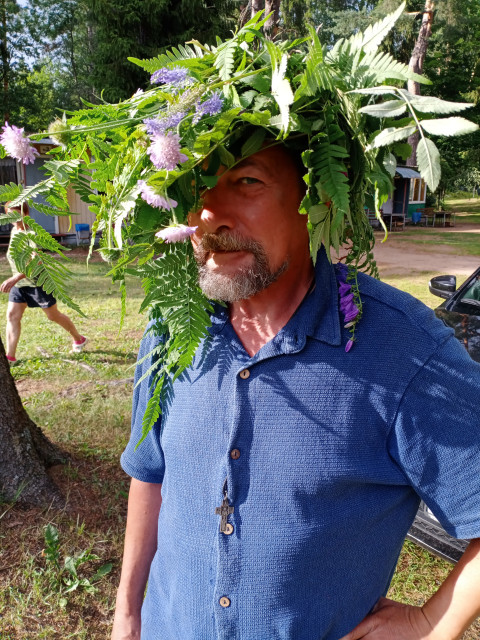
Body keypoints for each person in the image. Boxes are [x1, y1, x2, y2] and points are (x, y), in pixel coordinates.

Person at [112, 145, 480, 640]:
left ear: (319, 201)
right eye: (196, 187)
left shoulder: (404, 351)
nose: (209, 216)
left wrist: (431, 621)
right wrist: (129, 614)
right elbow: (150, 476)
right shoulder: (173, 330)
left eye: (246, 182)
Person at [0, 202, 87, 363]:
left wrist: (14, 278)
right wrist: (16, 279)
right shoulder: (14, 230)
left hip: (38, 283)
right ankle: (10, 357)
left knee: (53, 316)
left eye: (15, 213)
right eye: (9, 214)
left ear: (25, 213)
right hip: (20, 286)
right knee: (12, 316)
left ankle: (79, 339)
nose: (12, 217)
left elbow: (36, 261)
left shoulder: (32, 233)